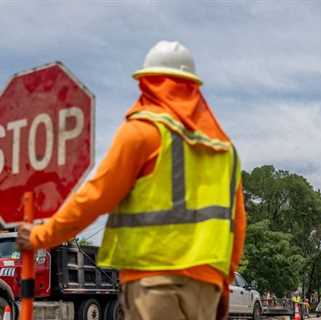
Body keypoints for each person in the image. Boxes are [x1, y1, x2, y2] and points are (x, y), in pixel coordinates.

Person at [16, 40, 247, 320]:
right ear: (192, 87)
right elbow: (237, 227)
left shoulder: (143, 132)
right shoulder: (224, 150)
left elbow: (95, 197)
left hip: (155, 281)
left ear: (148, 83)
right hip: (206, 286)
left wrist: (42, 236)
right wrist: (224, 281)